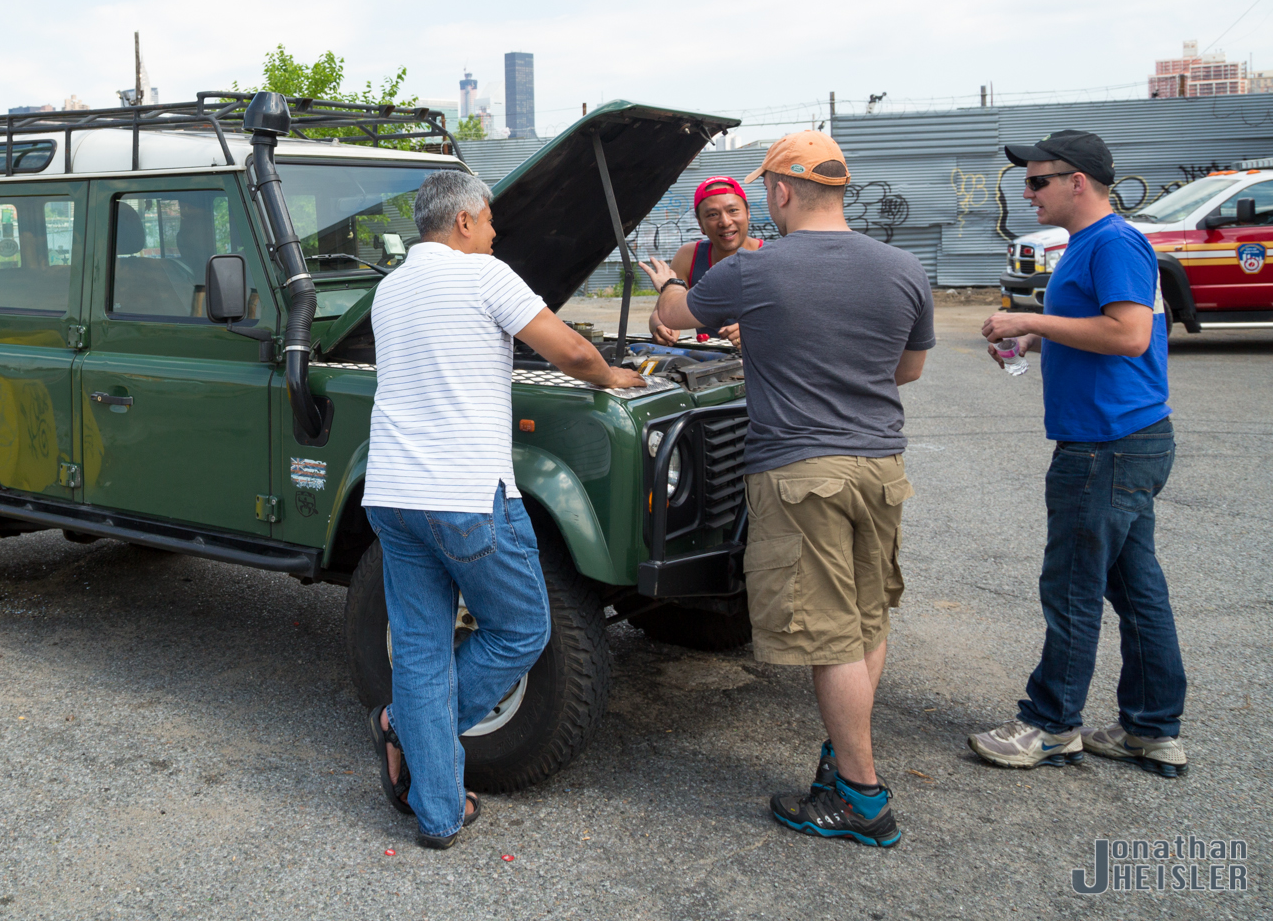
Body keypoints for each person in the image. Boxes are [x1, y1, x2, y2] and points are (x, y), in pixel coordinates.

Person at [642, 130, 932, 849]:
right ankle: (844, 755)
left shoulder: (756, 269)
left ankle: (862, 797)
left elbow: (677, 320)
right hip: (880, 467)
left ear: (777, 192)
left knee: (828, 635)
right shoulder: (902, 268)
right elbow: (908, 371)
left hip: (803, 473)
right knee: (867, 617)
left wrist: (668, 282)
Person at [364, 169, 645, 849]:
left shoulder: (389, 287)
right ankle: (406, 726)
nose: (494, 232)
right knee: (522, 629)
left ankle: (438, 810)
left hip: (393, 494)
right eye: (488, 220)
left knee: (423, 650)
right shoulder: (485, 275)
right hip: (464, 497)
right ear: (462, 221)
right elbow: (572, 351)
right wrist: (614, 375)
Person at [970, 130, 1186, 776]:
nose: (1028, 193)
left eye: (1038, 181)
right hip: (1123, 439)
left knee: (1073, 586)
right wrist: (1038, 340)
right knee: (1135, 587)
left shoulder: (1112, 242)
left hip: (1106, 446)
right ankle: (1152, 729)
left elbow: (1128, 333)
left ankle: (1049, 722)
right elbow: (1109, 332)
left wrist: (1029, 322)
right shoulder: (1093, 244)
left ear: (1078, 182)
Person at [648, 176, 763, 349]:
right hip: (712, 362)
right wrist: (661, 327)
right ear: (700, 224)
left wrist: (758, 329)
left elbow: (797, 321)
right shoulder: (689, 256)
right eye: (712, 215)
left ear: (747, 213)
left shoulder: (771, 257)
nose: (725, 222)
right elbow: (661, 312)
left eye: (733, 210)